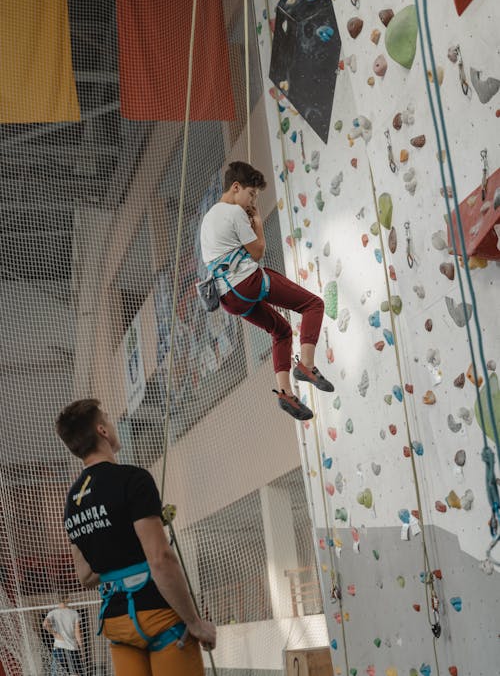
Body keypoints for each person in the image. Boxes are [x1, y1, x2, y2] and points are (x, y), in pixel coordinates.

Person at [55, 399, 216, 676]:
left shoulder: (72, 501)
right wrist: (195, 622)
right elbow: (161, 559)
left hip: (117, 624)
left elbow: (85, 575)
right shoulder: (133, 480)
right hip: (158, 616)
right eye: (108, 418)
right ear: (102, 430)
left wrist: (116, 551)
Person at [200, 161, 334, 420]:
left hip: (228, 299)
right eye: (251, 195)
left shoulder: (208, 219)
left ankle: (285, 393)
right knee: (313, 304)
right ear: (236, 187)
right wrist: (258, 222)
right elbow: (258, 252)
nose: (252, 201)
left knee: (281, 330)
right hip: (247, 283)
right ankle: (306, 365)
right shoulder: (234, 212)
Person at [43, 599, 84, 676]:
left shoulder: (52, 613)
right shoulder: (74, 613)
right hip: (72, 648)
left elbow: (45, 624)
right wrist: (82, 651)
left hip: (59, 647)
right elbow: (77, 634)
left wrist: (54, 633)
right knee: (75, 674)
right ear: (68, 599)